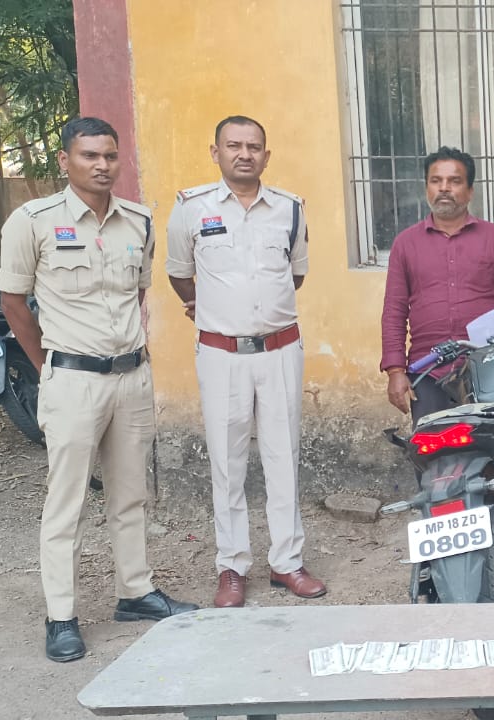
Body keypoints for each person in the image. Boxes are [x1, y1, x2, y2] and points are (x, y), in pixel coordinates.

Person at [0, 116, 197, 663]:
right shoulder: (32, 222)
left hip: (131, 378)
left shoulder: (138, 221)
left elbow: (137, 294)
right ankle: (61, 615)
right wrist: (48, 366)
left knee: (130, 494)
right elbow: (13, 301)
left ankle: (136, 591)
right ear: (65, 161)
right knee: (67, 503)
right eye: (89, 156)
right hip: (73, 381)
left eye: (109, 155)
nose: (102, 165)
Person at [166, 115, 325, 609]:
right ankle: (232, 566)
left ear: (266, 155)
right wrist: (211, 306)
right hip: (221, 355)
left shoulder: (290, 209)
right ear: (215, 152)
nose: (244, 154)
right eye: (233, 145)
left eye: (253, 146)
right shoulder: (191, 209)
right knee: (227, 461)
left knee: (283, 456)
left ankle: (287, 562)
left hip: (280, 350)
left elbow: (295, 275)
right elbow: (179, 273)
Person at [381, 147, 494, 420]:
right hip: (427, 370)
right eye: (436, 181)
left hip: (489, 369)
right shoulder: (405, 244)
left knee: (491, 444)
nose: (444, 188)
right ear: (426, 188)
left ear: (470, 190)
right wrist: (395, 370)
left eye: (454, 181)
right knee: (432, 444)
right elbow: (394, 311)